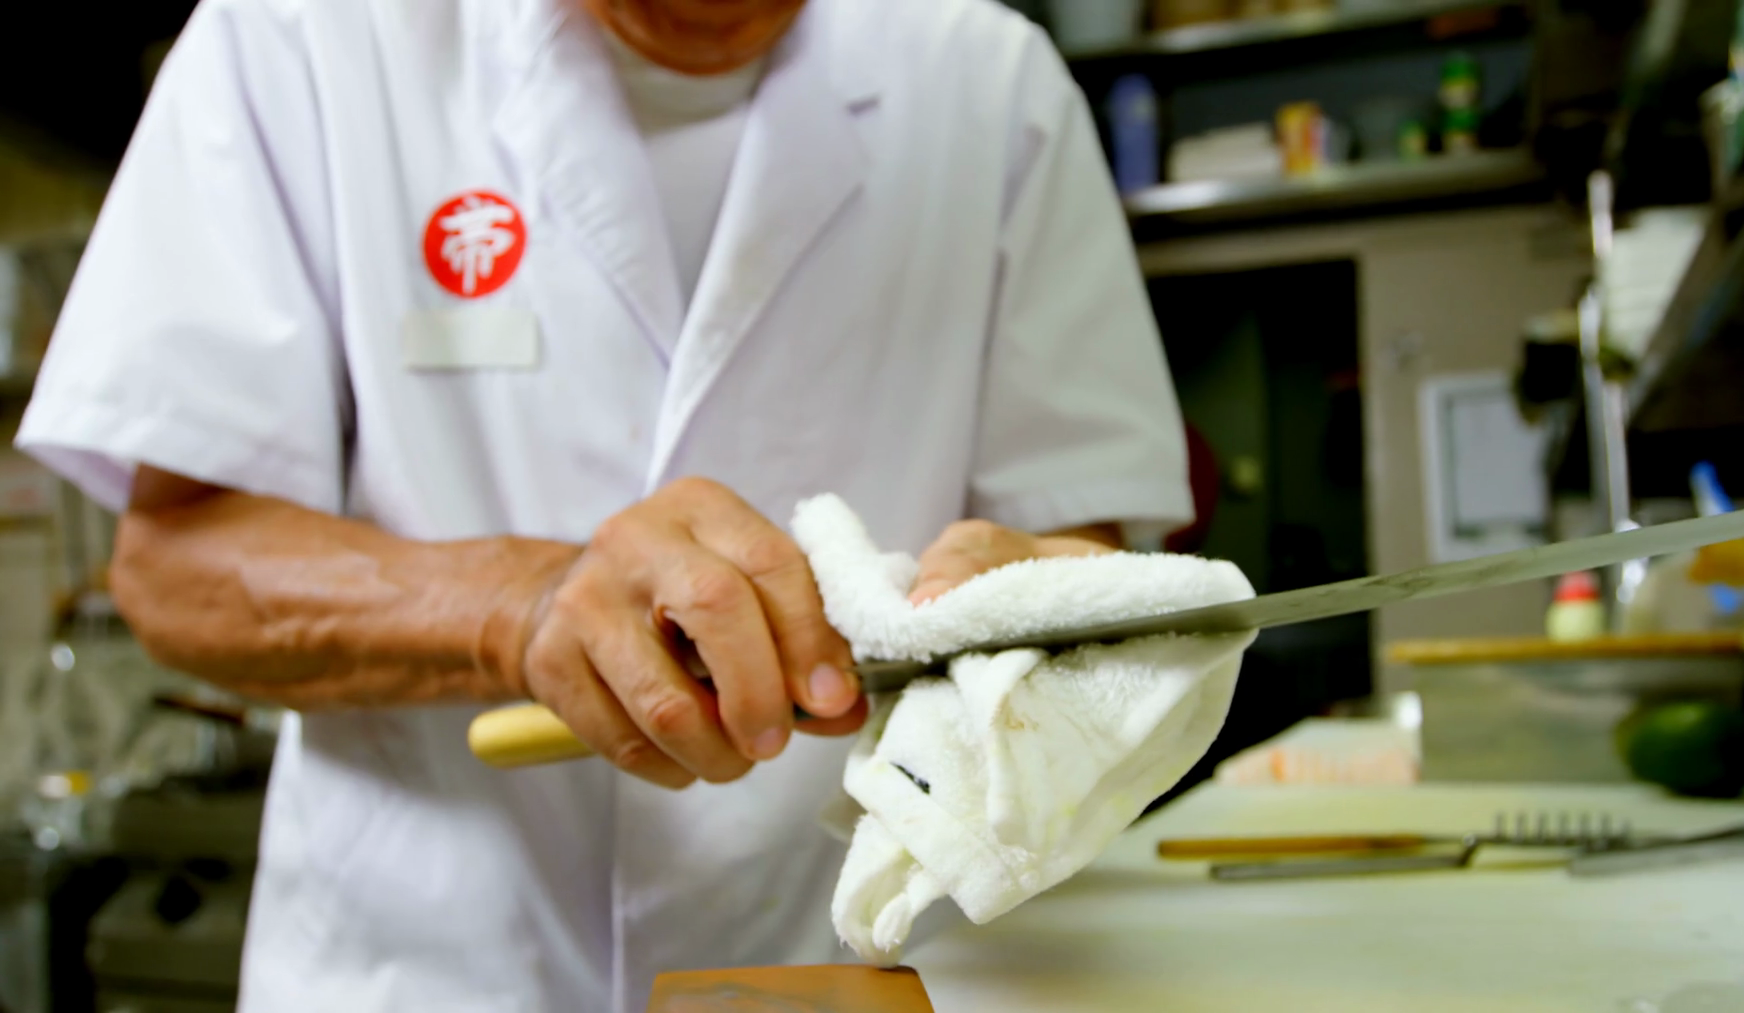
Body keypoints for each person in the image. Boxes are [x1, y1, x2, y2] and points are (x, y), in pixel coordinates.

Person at [16, 0, 1191, 1008]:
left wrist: (1019, 606)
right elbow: (178, 564)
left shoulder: (986, 78)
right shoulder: (297, 38)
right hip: (432, 968)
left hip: (855, 964)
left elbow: (1073, 534)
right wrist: (522, 605)